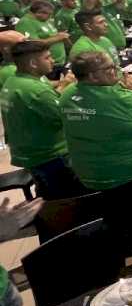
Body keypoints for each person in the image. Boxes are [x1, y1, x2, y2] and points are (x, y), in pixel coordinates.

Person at [60, 51, 132, 260]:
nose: (116, 72)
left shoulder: (67, 95)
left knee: (117, 219)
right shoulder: (117, 98)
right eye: (109, 69)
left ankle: (124, 254)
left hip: (94, 175)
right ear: (92, 76)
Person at [0, 41, 79, 198]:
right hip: (51, 155)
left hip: (29, 152)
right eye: (47, 57)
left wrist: (62, 84)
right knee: (67, 198)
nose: (53, 61)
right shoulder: (36, 91)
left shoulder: (13, 81)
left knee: (48, 192)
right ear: (33, 63)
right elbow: (66, 117)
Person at [15, 0, 69, 70]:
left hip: (59, 62)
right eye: (48, 14)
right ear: (39, 13)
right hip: (47, 65)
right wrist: (57, 38)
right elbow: (32, 44)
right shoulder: (26, 22)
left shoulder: (44, 20)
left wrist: (59, 35)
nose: (50, 17)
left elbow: (49, 36)